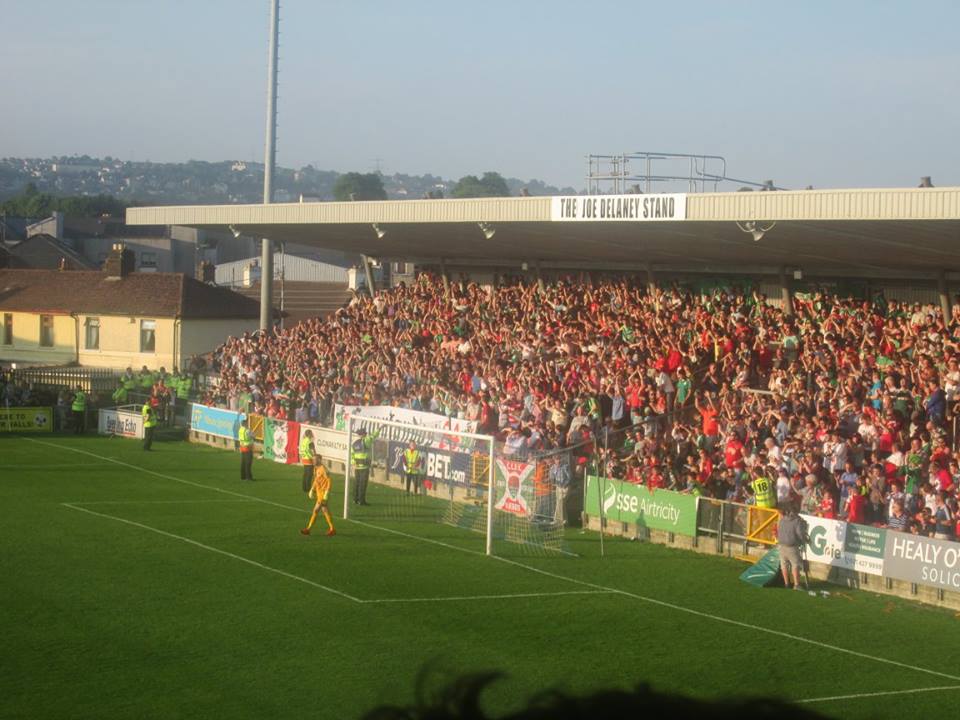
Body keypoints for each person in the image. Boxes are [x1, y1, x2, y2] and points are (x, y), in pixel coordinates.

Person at [301, 458, 336, 536]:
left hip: (323, 493)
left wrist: (327, 492)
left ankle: (308, 529)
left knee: (316, 510)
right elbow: (316, 480)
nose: (313, 461)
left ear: (319, 460)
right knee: (325, 511)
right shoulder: (315, 468)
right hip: (319, 493)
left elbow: (329, 480)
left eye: (315, 459)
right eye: (313, 459)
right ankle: (332, 528)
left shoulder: (323, 469)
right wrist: (312, 489)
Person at [777, 502, 808, 590]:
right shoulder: (797, 521)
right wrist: (803, 540)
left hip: (781, 545)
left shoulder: (782, 519)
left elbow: (779, 530)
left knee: (784, 565)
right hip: (791, 546)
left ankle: (787, 584)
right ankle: (797, 584)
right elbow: (800, 533)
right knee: (795, 565)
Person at [351, 427, 378, 505]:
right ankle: (361, 501)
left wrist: (353, 462)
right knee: (363, 484)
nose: (366, 435)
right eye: (365, 433)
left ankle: (355, 499)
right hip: (364, 467)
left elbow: (352, 454)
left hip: (357, 466)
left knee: (356, 483)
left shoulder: (355, 443)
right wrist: (379, 429)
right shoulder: (366, 441)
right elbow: (373, 436)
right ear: (364, 434)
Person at [300, 428, 315, 493]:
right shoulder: (310, 441)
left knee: (305, 474)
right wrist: (315, 457)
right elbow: (312, 450)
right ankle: (308, 488)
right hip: (309, 459)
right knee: (309, 475)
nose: (312, 434)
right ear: (309, 434)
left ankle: (304, 488)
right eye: (311, 433)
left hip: (304, 458)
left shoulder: (303, 441)